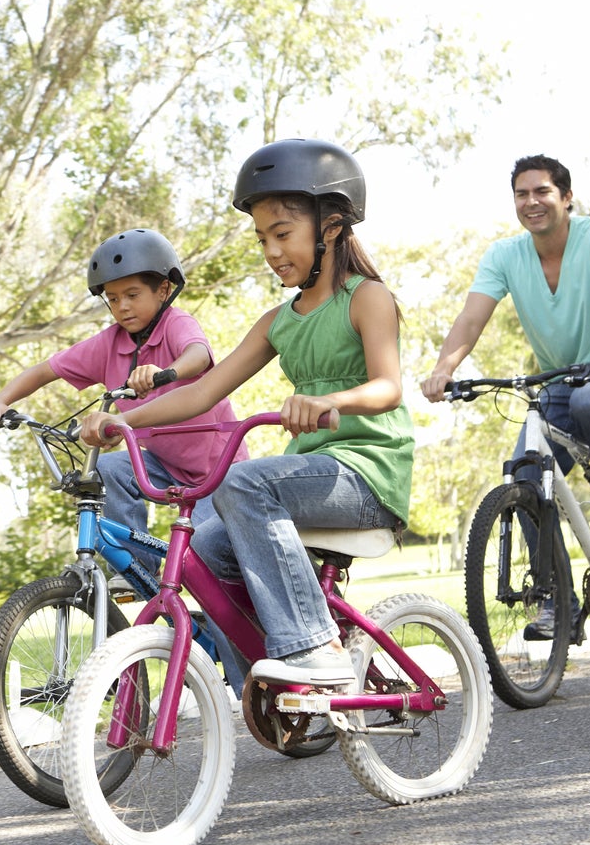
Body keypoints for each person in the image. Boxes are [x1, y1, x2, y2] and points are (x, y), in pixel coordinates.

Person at [79, 139, 412, 688]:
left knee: (239, 484)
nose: (272, 250)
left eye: (283, 233)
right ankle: (264, 687)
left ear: (330, 227)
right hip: (308, 476)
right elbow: (202, 391)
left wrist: (329, 401)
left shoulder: (365, 297)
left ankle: (313, 645)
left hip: (367, 473)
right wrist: (124, 419)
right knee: (200, 557)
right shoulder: (278, 320)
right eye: (263, 239)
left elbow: (388, 388)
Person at [419, 155, 590, 642]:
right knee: (526, 475)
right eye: (521, 194)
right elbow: (471, 319)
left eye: (542, 192)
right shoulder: (504, 256)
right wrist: (444, 369)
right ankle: (558, 603)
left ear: (566, 197)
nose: (531, 202)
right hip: (562, 379)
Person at [0, 228, 245, 541]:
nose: (123, 307)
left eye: (132, 295)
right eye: (113, 299)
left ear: (163, 289)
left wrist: (166, 372)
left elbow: (197, 355)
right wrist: (0, 400)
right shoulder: (108, 344)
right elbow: (44, 371)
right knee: (107, 470)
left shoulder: (176, 323)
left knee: (203, 549)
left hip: (220, 469)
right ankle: (136, 572)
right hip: (163, 463)